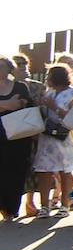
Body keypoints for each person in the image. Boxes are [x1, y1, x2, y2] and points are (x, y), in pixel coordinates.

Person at [33, 64, 73, 217]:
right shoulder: (50, 92)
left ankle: (65, 205)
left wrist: (54, 107)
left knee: (64, 170)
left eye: (49, 76)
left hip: (64, 136)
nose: (47, 79)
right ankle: (44, 206)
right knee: (44, 170)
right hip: (47, 136)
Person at [0, 55, 38, 221]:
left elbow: (26, 105)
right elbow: (13, 105)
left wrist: (8, 105)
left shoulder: (20, 87)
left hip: (18, 136)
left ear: (10, 68)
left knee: (17, 171)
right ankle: (3, 207)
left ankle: (12, 208)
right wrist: (7, 105)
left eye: (2, 66)